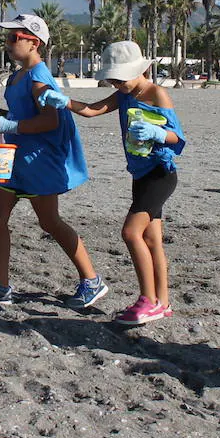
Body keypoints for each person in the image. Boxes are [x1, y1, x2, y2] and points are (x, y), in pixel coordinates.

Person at [0, 13, 107, 311]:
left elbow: (49, 121)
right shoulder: (18, 74)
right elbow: (23, 114)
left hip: (38, 160)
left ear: (34, 43)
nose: (7, 43)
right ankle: (1, 286)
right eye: (7, 37)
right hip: (15, 157)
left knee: (50, 221)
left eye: (14, 38)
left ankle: (91, 280)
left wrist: (9, 126)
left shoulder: (39, 77)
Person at [57, 41, 186, 325]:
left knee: (130, 234)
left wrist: (157, 132)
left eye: (121, 78)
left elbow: (178, 139)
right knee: (152, 240)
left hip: (160, 174)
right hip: (140, 175)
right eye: (113, 79)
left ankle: (147, 300)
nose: (117, 83)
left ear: (141, 69)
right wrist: (63, 101)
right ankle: (162, 302)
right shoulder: (123, 94)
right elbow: (91, 110)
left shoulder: (156, 93)